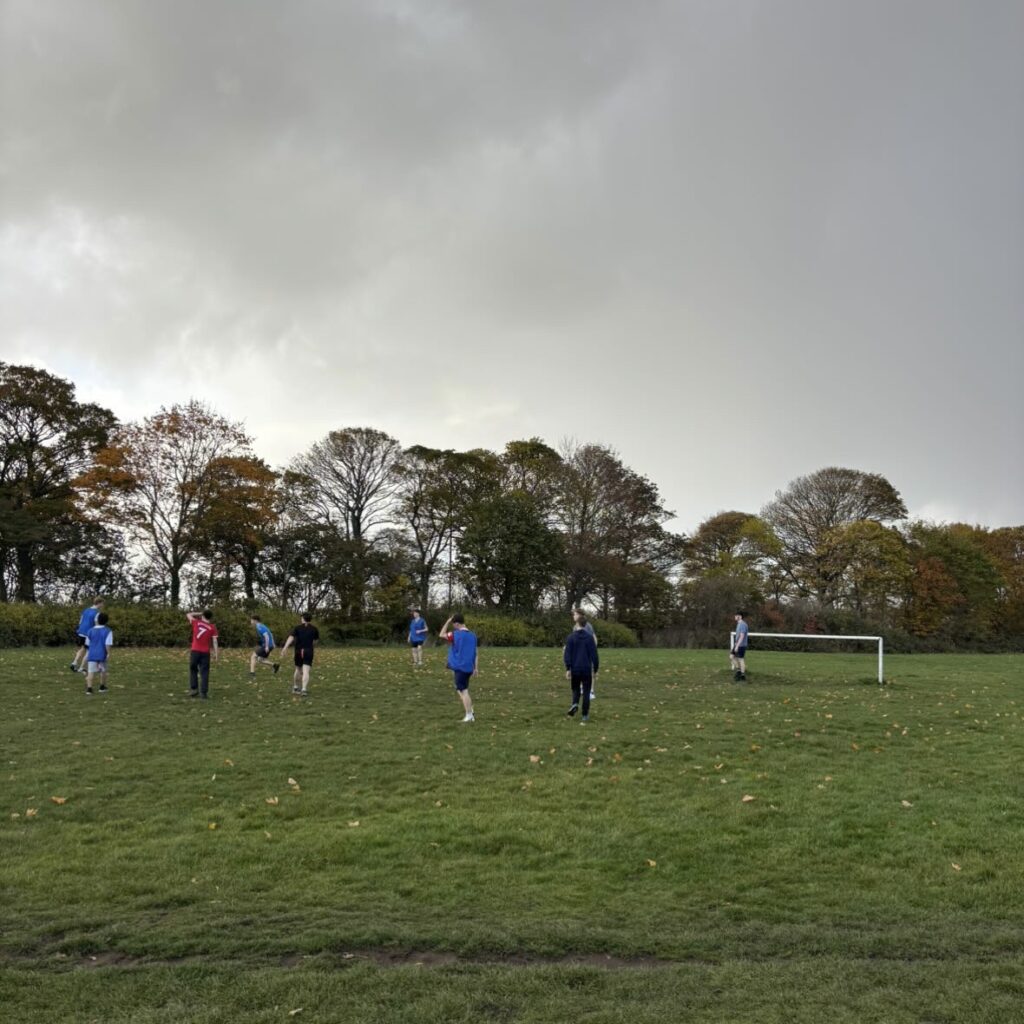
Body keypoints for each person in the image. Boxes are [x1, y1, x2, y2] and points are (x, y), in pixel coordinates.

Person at [439, 613, 477, 723]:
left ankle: (469, 715)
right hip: (468, 667)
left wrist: (447, 621)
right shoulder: (473, 636)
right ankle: (470, 710)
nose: (453, 626)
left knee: (463, 691)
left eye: (453, 624)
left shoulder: (455, 635)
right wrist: (476, 667)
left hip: (460, 666)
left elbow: (441, 634)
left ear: (456, 624)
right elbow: (475, 653)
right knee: (460, 689)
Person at [564, 613, 599, 722]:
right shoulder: (589, 638)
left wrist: (568, 668)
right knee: (587, 691)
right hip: (586, 668)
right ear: (585, 625)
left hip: (575, 668)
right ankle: (585, 715)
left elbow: (567, 654)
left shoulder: (570, 637)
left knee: (575, 689)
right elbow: (594, 655)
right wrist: (595, 669)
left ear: (577, 624)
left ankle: (575, 704)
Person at [279, 613, 320, 696]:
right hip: (308, 651)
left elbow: (291, 637)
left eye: (301, 618)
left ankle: (295, 687)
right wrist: (311, 645)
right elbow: (315, 641)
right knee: (306, 671)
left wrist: (285, 647)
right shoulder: (314, 629)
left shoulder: (297, 628)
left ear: (303, 619)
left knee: (298, 669)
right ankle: (304, 689)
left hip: (298, 651)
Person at [186, 609, 219, 699]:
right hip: (205, 652)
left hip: (195, 651)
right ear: (210, 618)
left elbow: (188, 614)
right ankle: (203, 693)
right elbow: (215, 641)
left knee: (193, 669)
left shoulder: (196, 622)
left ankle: (194, 689)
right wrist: (216, 654)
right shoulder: (212, 627)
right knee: (204, 672)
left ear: (203, 616)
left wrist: (200, 613)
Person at [70, 597, 105, 673]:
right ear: (99, 603)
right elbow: (97, 625)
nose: (102, 605)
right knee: (89, 651)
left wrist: (79, 629)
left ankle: (74, 663)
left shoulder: (85, 610)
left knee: (83, 648)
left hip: (81, 632)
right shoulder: (97, 613)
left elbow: (80, 621)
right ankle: (81, 668)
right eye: (102, 603)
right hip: (88, 634)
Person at [84, 611, 113, 696]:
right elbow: (107, 644)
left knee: (90, 672)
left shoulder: (90, 630)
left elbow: (87, 643)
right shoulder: (108, 631)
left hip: (92, 654)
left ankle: (89, 689)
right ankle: (102, 687)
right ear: (106, 621)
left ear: (97, 620)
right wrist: (108, 653)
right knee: (103, 671)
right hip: (102, 654)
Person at [572, 607, 598, 699]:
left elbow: (593, 638)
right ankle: (582, 688)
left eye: (575, 614)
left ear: (580, 615)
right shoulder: (575, 627)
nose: (573, 616)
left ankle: (591, 691)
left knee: (590, 671)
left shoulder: (587, 626)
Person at [731, 610, 749, 682]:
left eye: (736, 615)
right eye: (735, 615)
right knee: (731, 656)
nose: (735, 616)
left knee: (741, 659)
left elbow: (742, 636)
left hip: (741, 645)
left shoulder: (743, 625)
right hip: (737, 644)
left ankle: (742, 675)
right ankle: (738, 671)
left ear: (740, 616)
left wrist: (737, 646)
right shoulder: (738, 624)